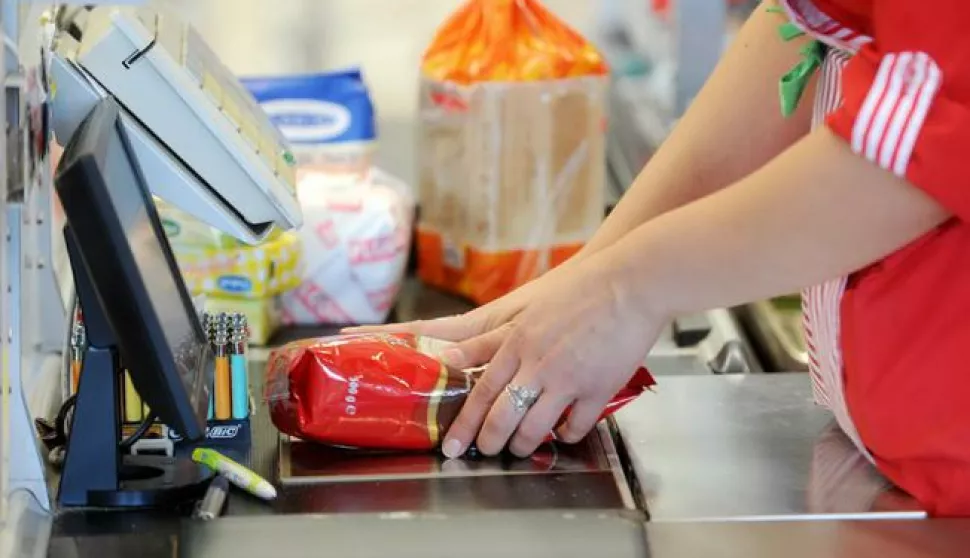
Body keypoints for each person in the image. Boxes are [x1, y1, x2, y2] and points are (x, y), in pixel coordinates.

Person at [349, 0, 970, 516]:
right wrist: (592, 274)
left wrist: (630, 287)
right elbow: (809, 27)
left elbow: (925, 142)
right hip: (899, 470)